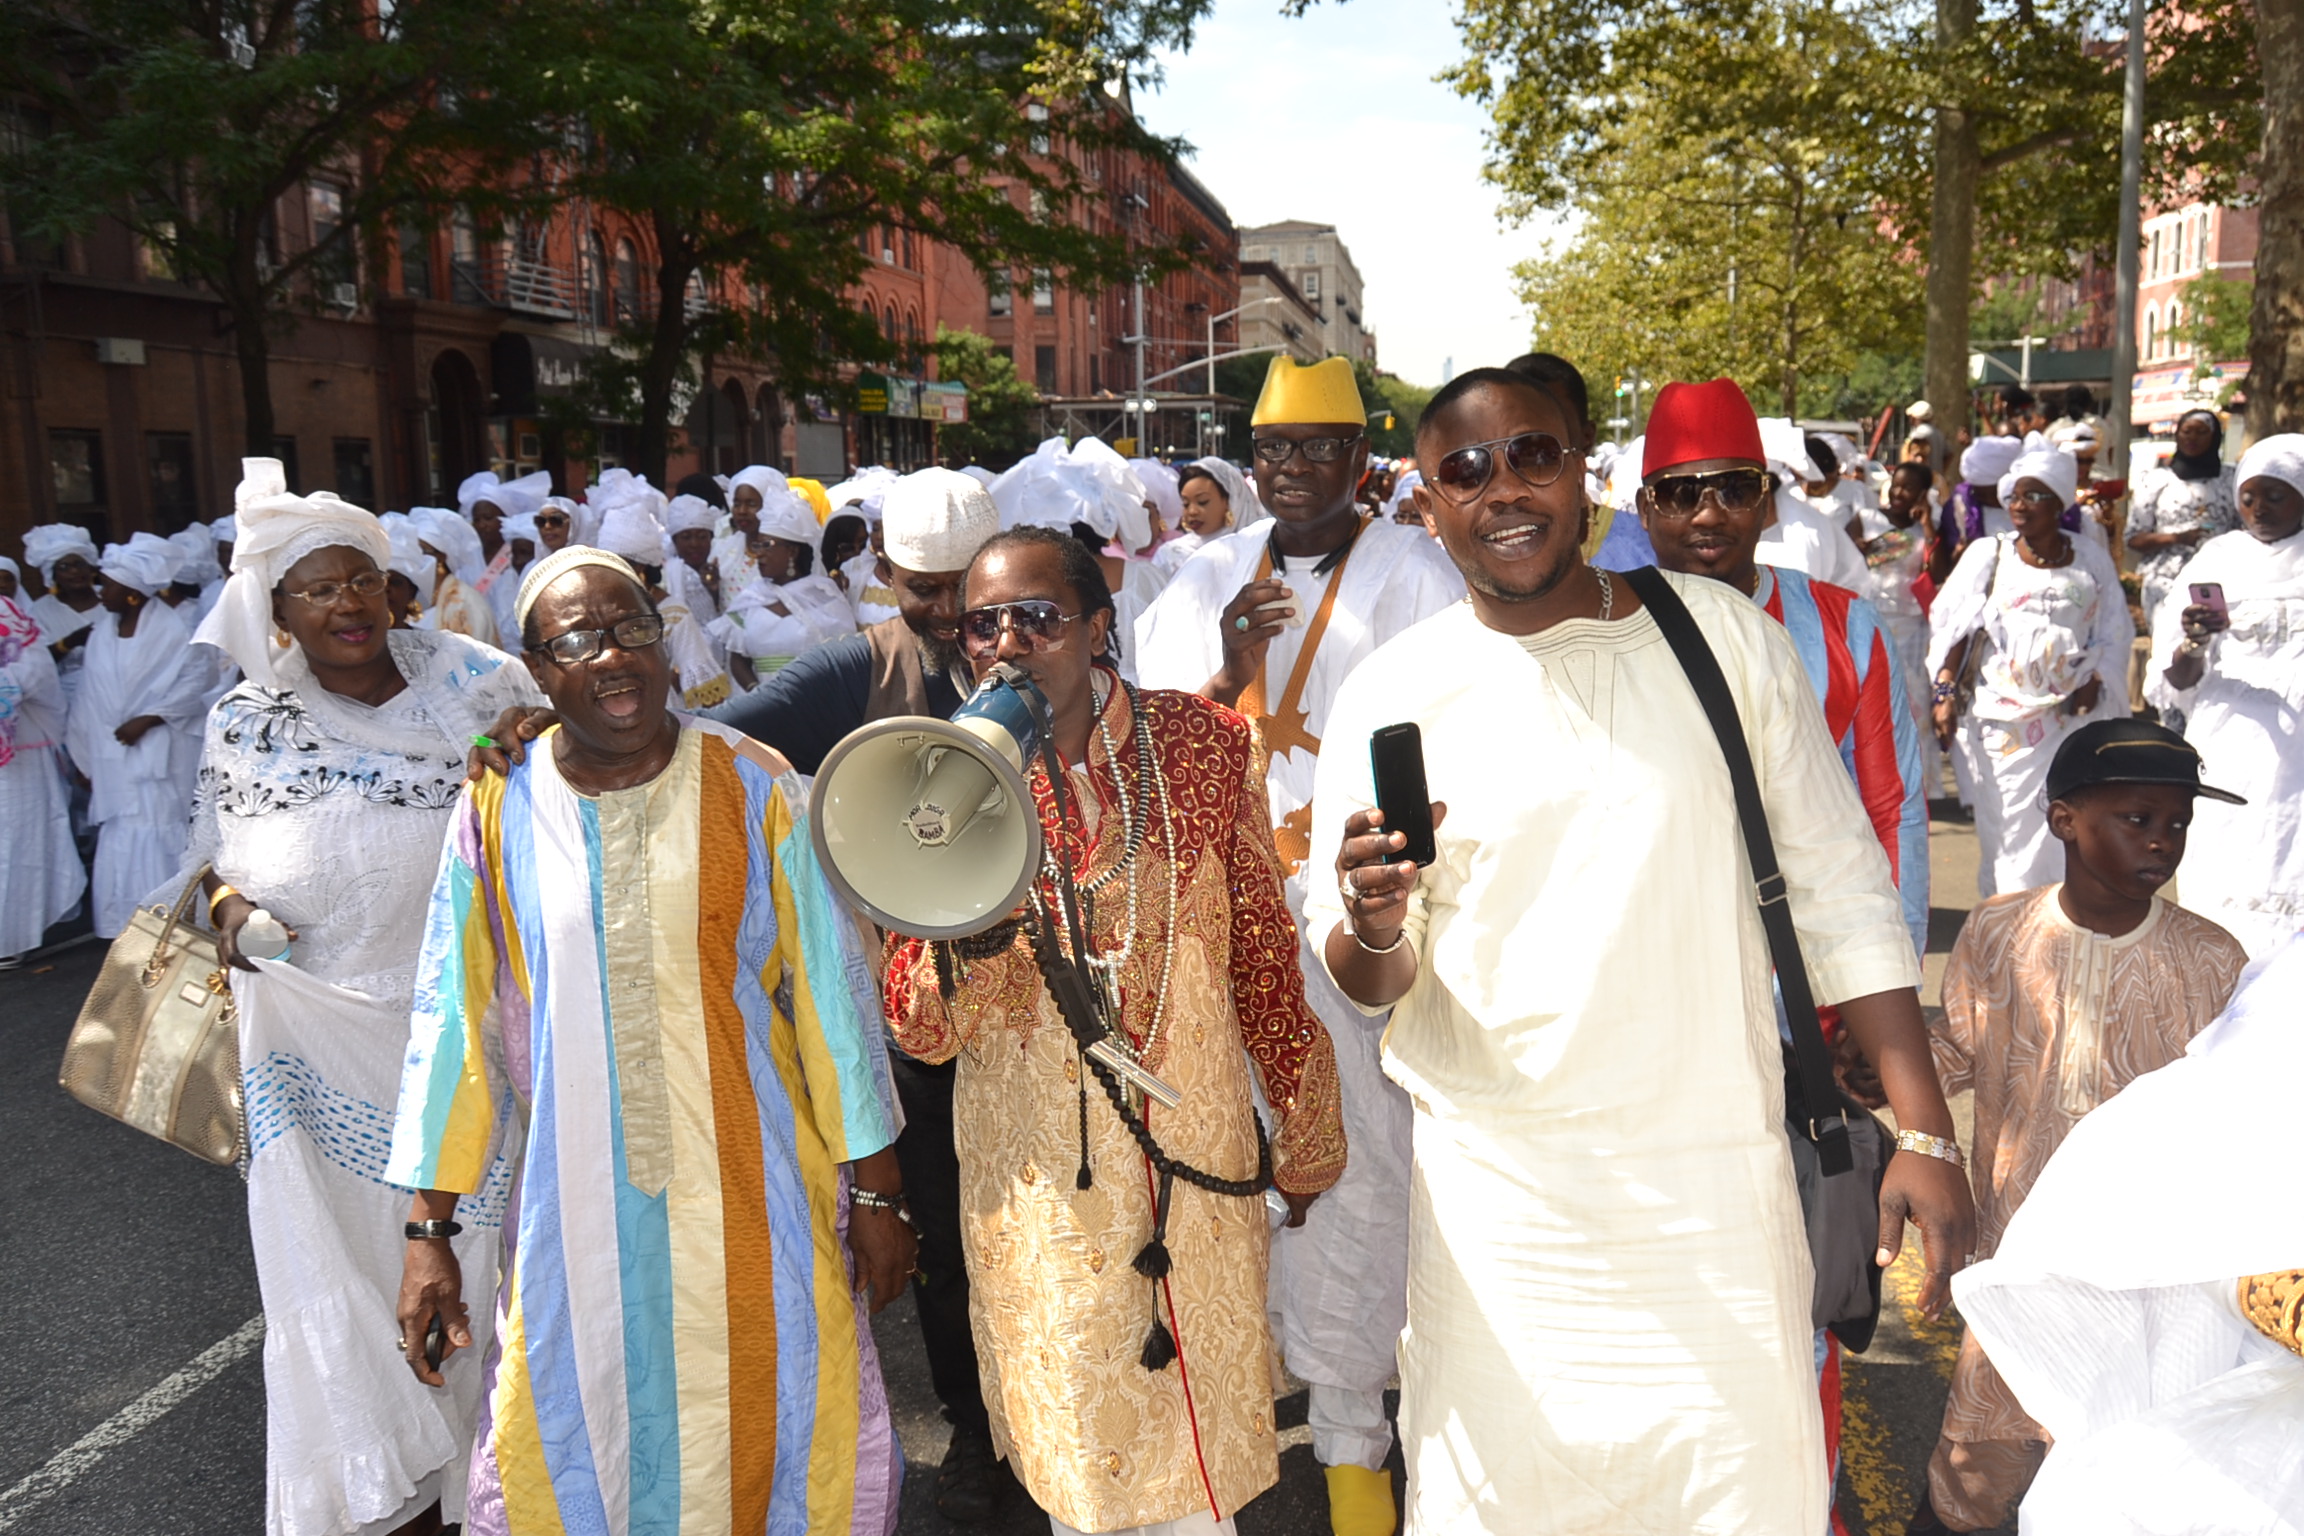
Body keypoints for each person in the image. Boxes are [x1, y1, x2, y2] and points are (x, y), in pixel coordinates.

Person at [1305, 369, 1974, 1536]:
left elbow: (1840, 891)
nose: (1502, 490)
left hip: (1714, 1188)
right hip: (1502, 1218)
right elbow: (1369, 981)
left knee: (1738, 1499)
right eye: (1464, 470)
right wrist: (1370, 925)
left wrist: (1923, 1128)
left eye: (1533, 456)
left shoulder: (1720, 640)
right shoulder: (1392, 691)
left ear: (1586, 475)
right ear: (1426, 501)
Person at [385, 547, 910, 1536]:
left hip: (761, 1200)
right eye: (578, 640)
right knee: (580, 1442)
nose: (615, 657)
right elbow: (451, 1023)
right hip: (569, 1213)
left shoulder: (758, 787)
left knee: (775, 1424)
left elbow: (835, 1005)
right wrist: (428, 1234)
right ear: (537, 670)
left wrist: (878, 1192)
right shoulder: (497, 806)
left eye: (634, 628)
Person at [881, 524, 1348, 1536]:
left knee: (1198, 1468)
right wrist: (968, 918)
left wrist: (1305, 1128)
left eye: (1038, 617)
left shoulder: (1208, 746)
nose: (1006, 643)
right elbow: (922, 1030)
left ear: (1099, 628)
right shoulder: (941, 780)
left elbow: (1263, 949)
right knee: (1087, 1471)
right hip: (1046, 1195)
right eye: (982, 625)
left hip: (1197, 1170)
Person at [181, 458, 544, 1536]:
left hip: (467, 1038)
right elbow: (209, 867)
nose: (345, 603)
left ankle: (493, 1494)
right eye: (316, 588)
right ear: (278, 612)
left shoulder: (483, 684)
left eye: (361, 580)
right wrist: (235, 912)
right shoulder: (245, 722)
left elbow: (566, 813)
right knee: (342, 1292)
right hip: (313, 1052)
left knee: (479, 1275)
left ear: (395, 588)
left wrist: (533, 752)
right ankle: (392, 1505)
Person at [1135, 353, 1464, 1536]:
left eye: (1319, 449)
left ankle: (1355, 1450)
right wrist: (1226, 664)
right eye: (1273, 450)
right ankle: (1242, 1408)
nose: (1292, 469)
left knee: (1363, 1174)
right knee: (1222, 1162)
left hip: (1352, 930)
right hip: (1221, 926)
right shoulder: (1198, 578)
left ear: (1357, 457)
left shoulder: (1421, 573)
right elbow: (1149, 747)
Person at [1910, 718, 2249, 1535]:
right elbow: (1958, 1049)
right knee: (1976, 1468)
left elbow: (2234, 1120)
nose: (2163, 842)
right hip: (2017, 1260)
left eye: (2178, 823)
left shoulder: (2213, 960)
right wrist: (1880, 1067)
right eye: (2138, 819)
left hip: (2147, 1282)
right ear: (2065, 819)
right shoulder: (1998, 932)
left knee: (2121, 1470)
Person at [1951, 926, 2304, 1536]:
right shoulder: (2218, 1094)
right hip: (2209, 1395)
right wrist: (2260, 1286)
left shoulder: (2212, 952)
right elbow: (2174, 1202)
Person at [1928, 444, 2133, 897]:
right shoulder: (1989, 555)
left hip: (2071, 720)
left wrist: (2096, 680)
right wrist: (1942, 695)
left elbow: (2115, 631)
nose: (2018, 506)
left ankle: (2057, 926)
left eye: (2033, 496)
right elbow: (1953, 631)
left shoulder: (2089, 558)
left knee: (2066, 825)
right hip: (2002, 724)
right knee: (2005, 834)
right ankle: (2007, 927)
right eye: (2014, 496)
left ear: (2060, 503)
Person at [2146, 433, 2304, 958]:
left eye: (2275, 495)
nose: (2258, 509)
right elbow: (2180, 678)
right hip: (2230, 745)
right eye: (2249, 496)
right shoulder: (2218, 558)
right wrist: (2195, 637)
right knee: (2223, 873)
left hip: (2298, 758)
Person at [64, 532, 210, 937]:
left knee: (159, 825)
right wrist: (84, 756)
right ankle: (122, 923)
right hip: (113, 757)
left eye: (107, 584)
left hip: (161, 754)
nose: (100, 591)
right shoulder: (101, 635)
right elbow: (89, 698)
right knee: (122, 831)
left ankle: (170, 919)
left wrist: (151, 717)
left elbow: (197, 677)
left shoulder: (173, 631)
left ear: (131, 593)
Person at [0, 592, 85, 966]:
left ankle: (10, 939)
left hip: (22, 765)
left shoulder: (16, 629)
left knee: (16, 848)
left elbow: (29, 677)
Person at [709, 481, 855, 690]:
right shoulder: (751, 599)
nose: (759, 554)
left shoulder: (825, 597)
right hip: (760, 708)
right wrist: (758, 694)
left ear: (792, 552)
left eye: (767, 545)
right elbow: (738, 660)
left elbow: (842, 659)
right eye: (758, 545)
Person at [2126, 407, 2238, 631]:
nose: (2193, 438)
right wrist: (2176, 538)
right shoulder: (2156, 481)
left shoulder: (2230, 479)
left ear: (2215, 437)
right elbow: (2133, 539)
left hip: (2220, 578)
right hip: (2165, 581)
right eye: (2187, 431)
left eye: (2201, 432)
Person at [22, 522, 103, 699]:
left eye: (79, 564)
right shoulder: (40, 610)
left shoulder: (112, 598)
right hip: (69, 697)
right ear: (53, 575)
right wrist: (70, 642)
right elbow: (37, 663)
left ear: (90, 568)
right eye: (64, 567)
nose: (75, 571)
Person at [407, 506, 500, 647]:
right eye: (413, 551)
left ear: (441, 557)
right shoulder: (412, 595)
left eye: (423, 551)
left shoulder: (466, 603)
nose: (416, 557)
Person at [1155, 458, 1264, 574]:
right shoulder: (1170, 556)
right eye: (1185, 504)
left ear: (1230, 501)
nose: (1192, 511)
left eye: (1202, 502)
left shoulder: (1257, 550)